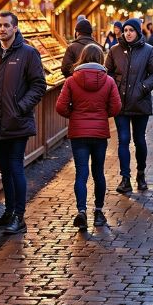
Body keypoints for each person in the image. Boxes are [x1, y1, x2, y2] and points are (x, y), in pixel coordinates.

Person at [0, 11, 49, 235]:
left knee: (16, 168)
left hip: (17, 123)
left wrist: (20, 107)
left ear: (15, 28)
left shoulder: (28, 53)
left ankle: (19, 217)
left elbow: (39, 85)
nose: (2, 29)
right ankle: (9, 212)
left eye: (6, 25)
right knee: (5, 171)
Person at [55, 44, 121, 229]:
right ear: (101, 59)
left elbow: (60, 107)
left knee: (81, 172)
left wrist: (74, 115)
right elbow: (116, 107)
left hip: (79, 133)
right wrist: (102, 115)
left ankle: (81, 211)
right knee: (98, 172)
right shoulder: (108, 81)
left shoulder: (71, 81)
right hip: (99, 133)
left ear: (82, 58)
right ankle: (98, 212)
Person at [106, 18, 153, 193]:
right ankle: (125, 178)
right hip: (120, 104)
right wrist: (113, 89)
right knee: (123, 140)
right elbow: (107, 73)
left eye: (131, 30)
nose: (128, 33)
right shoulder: (115, 50)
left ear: (138, 31)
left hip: (140, 102)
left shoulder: (148, 50)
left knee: (139, 140)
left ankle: (141, 173)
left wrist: (143, 88)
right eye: (126, 30)